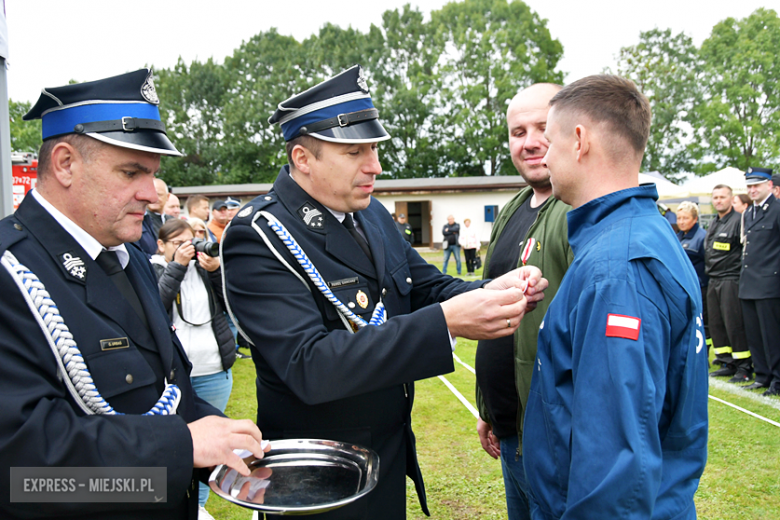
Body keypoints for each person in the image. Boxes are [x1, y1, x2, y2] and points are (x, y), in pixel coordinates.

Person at [221, 64, 548, 520]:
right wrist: (448, 322)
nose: (375, 165)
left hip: (384, 455)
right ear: (302, 159)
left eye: (373, 148)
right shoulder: (261, 234)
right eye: (355, 151)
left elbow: (425, 286)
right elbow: (308, 364)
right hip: (315, 479)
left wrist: (494, 291)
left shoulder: (368, 212)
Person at [0, 68, 268, 520]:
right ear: (65, 163)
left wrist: (221, 437)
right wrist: (182, 447)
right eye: (131, 172)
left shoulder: (127, 259)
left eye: (153, 175)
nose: (151, 194)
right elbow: (25, 474)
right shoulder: (11, 273)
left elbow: (164, 391)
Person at [523, 75, 708, 520]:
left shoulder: (617, 268)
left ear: (580, 141)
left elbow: (614, 473)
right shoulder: (638, 234)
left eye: (549, 141)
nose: (543, 156)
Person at [475, 83, 573, 520]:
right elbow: (488, 307)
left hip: (552, 436)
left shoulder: (576, 209)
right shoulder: (515, 207)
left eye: (541, 127)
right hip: (510, 427)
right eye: (518, 132)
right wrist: (488, 407)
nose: (529, 142)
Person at [151, 219, 236, 518]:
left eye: (193, 240)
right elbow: (155, 308)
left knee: (208, 453)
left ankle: (197, 508)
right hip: (174, 381)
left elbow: (232, 305)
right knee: (180, 448)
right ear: (161, 246)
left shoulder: (204, 269)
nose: (188, 248)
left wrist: (216, 272)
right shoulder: (151, 269)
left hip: (213, 369)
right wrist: (178, 266)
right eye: (178, 243)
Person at [739, 167, 780, 396]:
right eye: (749, 186)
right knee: (754, 335)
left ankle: (777, 379)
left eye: (757, 185)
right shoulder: (749, 213)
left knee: (772, 336)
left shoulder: (777, 210)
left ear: (769, 186)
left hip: (769, 283)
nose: (752, 190)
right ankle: (762, 375)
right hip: (749, 282)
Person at [705, 185, 752, 382]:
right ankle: (726, 361)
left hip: (730, 279)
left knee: (734, 324)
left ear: (731, 199)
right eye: (715, 197)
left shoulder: (738, 220)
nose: (718, 201)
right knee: (717, 324)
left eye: (722, 197)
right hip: (713, 279)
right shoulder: (714, 222)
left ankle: (744, 366)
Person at [676, 201, 710, 358]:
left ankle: (704, 353)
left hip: (701, 286)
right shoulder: (677, 237)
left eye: (685, 218)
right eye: (679, 218)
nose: (682, 221)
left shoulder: (702, 237)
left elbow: (708, 262)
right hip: (684, 287)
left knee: (703, 321)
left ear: (695, 219)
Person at [134, 177, 173, 255]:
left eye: (159, 194)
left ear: (168, 197)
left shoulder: (173, 221)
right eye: (150, 193)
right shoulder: (138, 221)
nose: (154, 198)